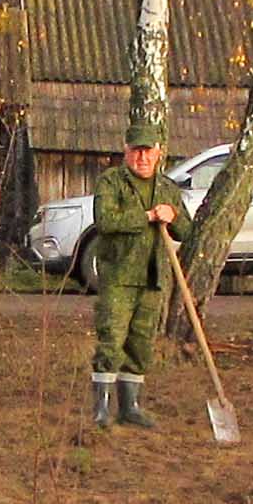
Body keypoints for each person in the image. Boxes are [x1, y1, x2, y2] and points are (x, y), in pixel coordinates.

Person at [81, 124, 187, 429]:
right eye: (136, 150)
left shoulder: (167, 188)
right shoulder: (111, 182)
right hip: (118, 276)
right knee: (111, 340)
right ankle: (101, 408)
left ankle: (130, 407)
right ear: (126, 151)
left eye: (148, 151)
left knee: (141, 343)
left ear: (158, 153)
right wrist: (148, 217)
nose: (142, 157)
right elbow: (106, 221)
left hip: (152, 278)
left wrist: (173, 216)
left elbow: (185, 231)